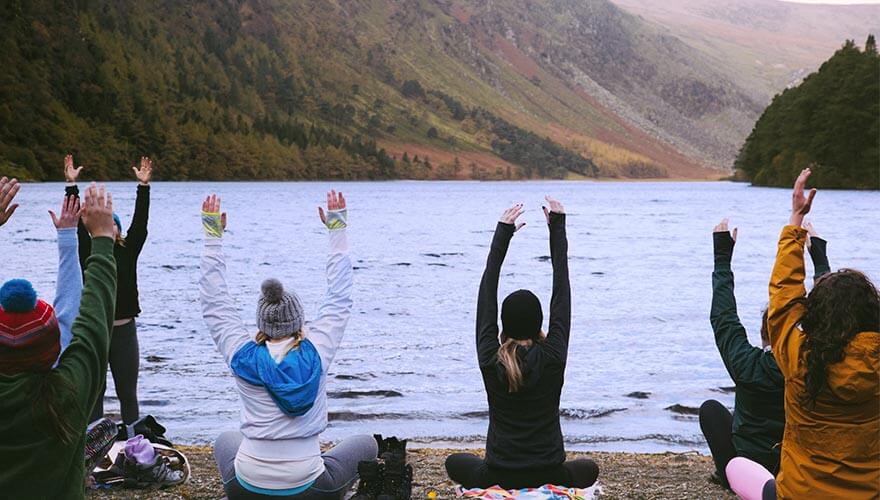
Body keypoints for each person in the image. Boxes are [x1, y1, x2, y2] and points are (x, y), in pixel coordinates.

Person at [200, 191, 378, 499]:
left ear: (261, 322)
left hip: (245, 489)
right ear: (299, 321)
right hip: (310, 488)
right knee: (368, 443)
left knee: (225, 439)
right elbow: (339, 297)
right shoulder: (317, 351)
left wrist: (213, 237)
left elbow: (214, 302)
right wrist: (337, 230)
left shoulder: (241, 354)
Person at [729, 168, 879, 499]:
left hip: (798, 494)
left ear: (815, 316)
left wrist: (795, 220)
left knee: (737, 469)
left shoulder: (799, 356)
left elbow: (783, 299)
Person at [445, 197, 599, 490]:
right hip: (551, 472)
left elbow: (486, 294)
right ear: (540, 322)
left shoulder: (491, 359)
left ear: (503, 324)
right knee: (589, 468)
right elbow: (562, 290)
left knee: (454, 462)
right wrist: (557, 228)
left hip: (498, 474)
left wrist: (502, 235)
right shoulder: (553, 354)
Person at [0, 183, 119, 498]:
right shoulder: (69, 392)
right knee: (103, 429)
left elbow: (88, 324)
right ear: (54, 348)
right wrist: (104, 239)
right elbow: (90, 321)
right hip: (63, 456)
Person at [700, 217, 831, 487]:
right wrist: (820, 260)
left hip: (751, 467)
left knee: (712, 410)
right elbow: (831, 320)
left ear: (764, 334)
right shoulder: (814, 362)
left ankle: (731, 476)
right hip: (800, 466)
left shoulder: (748, 365)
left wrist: (722, 260)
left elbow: (724, 319)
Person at [64, 154, 152, 426]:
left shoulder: (129, 250)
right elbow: (78, 224)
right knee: (95, 392)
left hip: (125, 332)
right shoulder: (87, 250)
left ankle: (135, 445)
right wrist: (71, 186)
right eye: (106, 222)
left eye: (115, 223)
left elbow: (141, 222)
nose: (110, 226)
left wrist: (144, 187)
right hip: (96, 330)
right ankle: (93, 446)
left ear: (119, 231)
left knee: (128, 394)